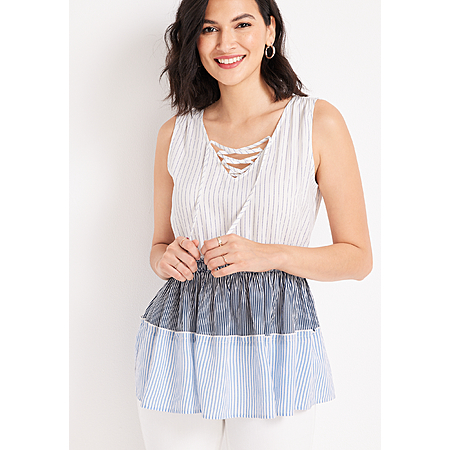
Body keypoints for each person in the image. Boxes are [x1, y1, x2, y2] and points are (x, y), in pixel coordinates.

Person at [135, 0, 373, 448]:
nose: (225, 43)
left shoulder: (317, 122)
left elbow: (358, 258)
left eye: (242, 24)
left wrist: (270, 255)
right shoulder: (174, 133)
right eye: (209, 29)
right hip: (181, 339)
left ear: (269, 31)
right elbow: (158, 245)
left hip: (275, 340)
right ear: (194, 41)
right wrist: (165, 259)